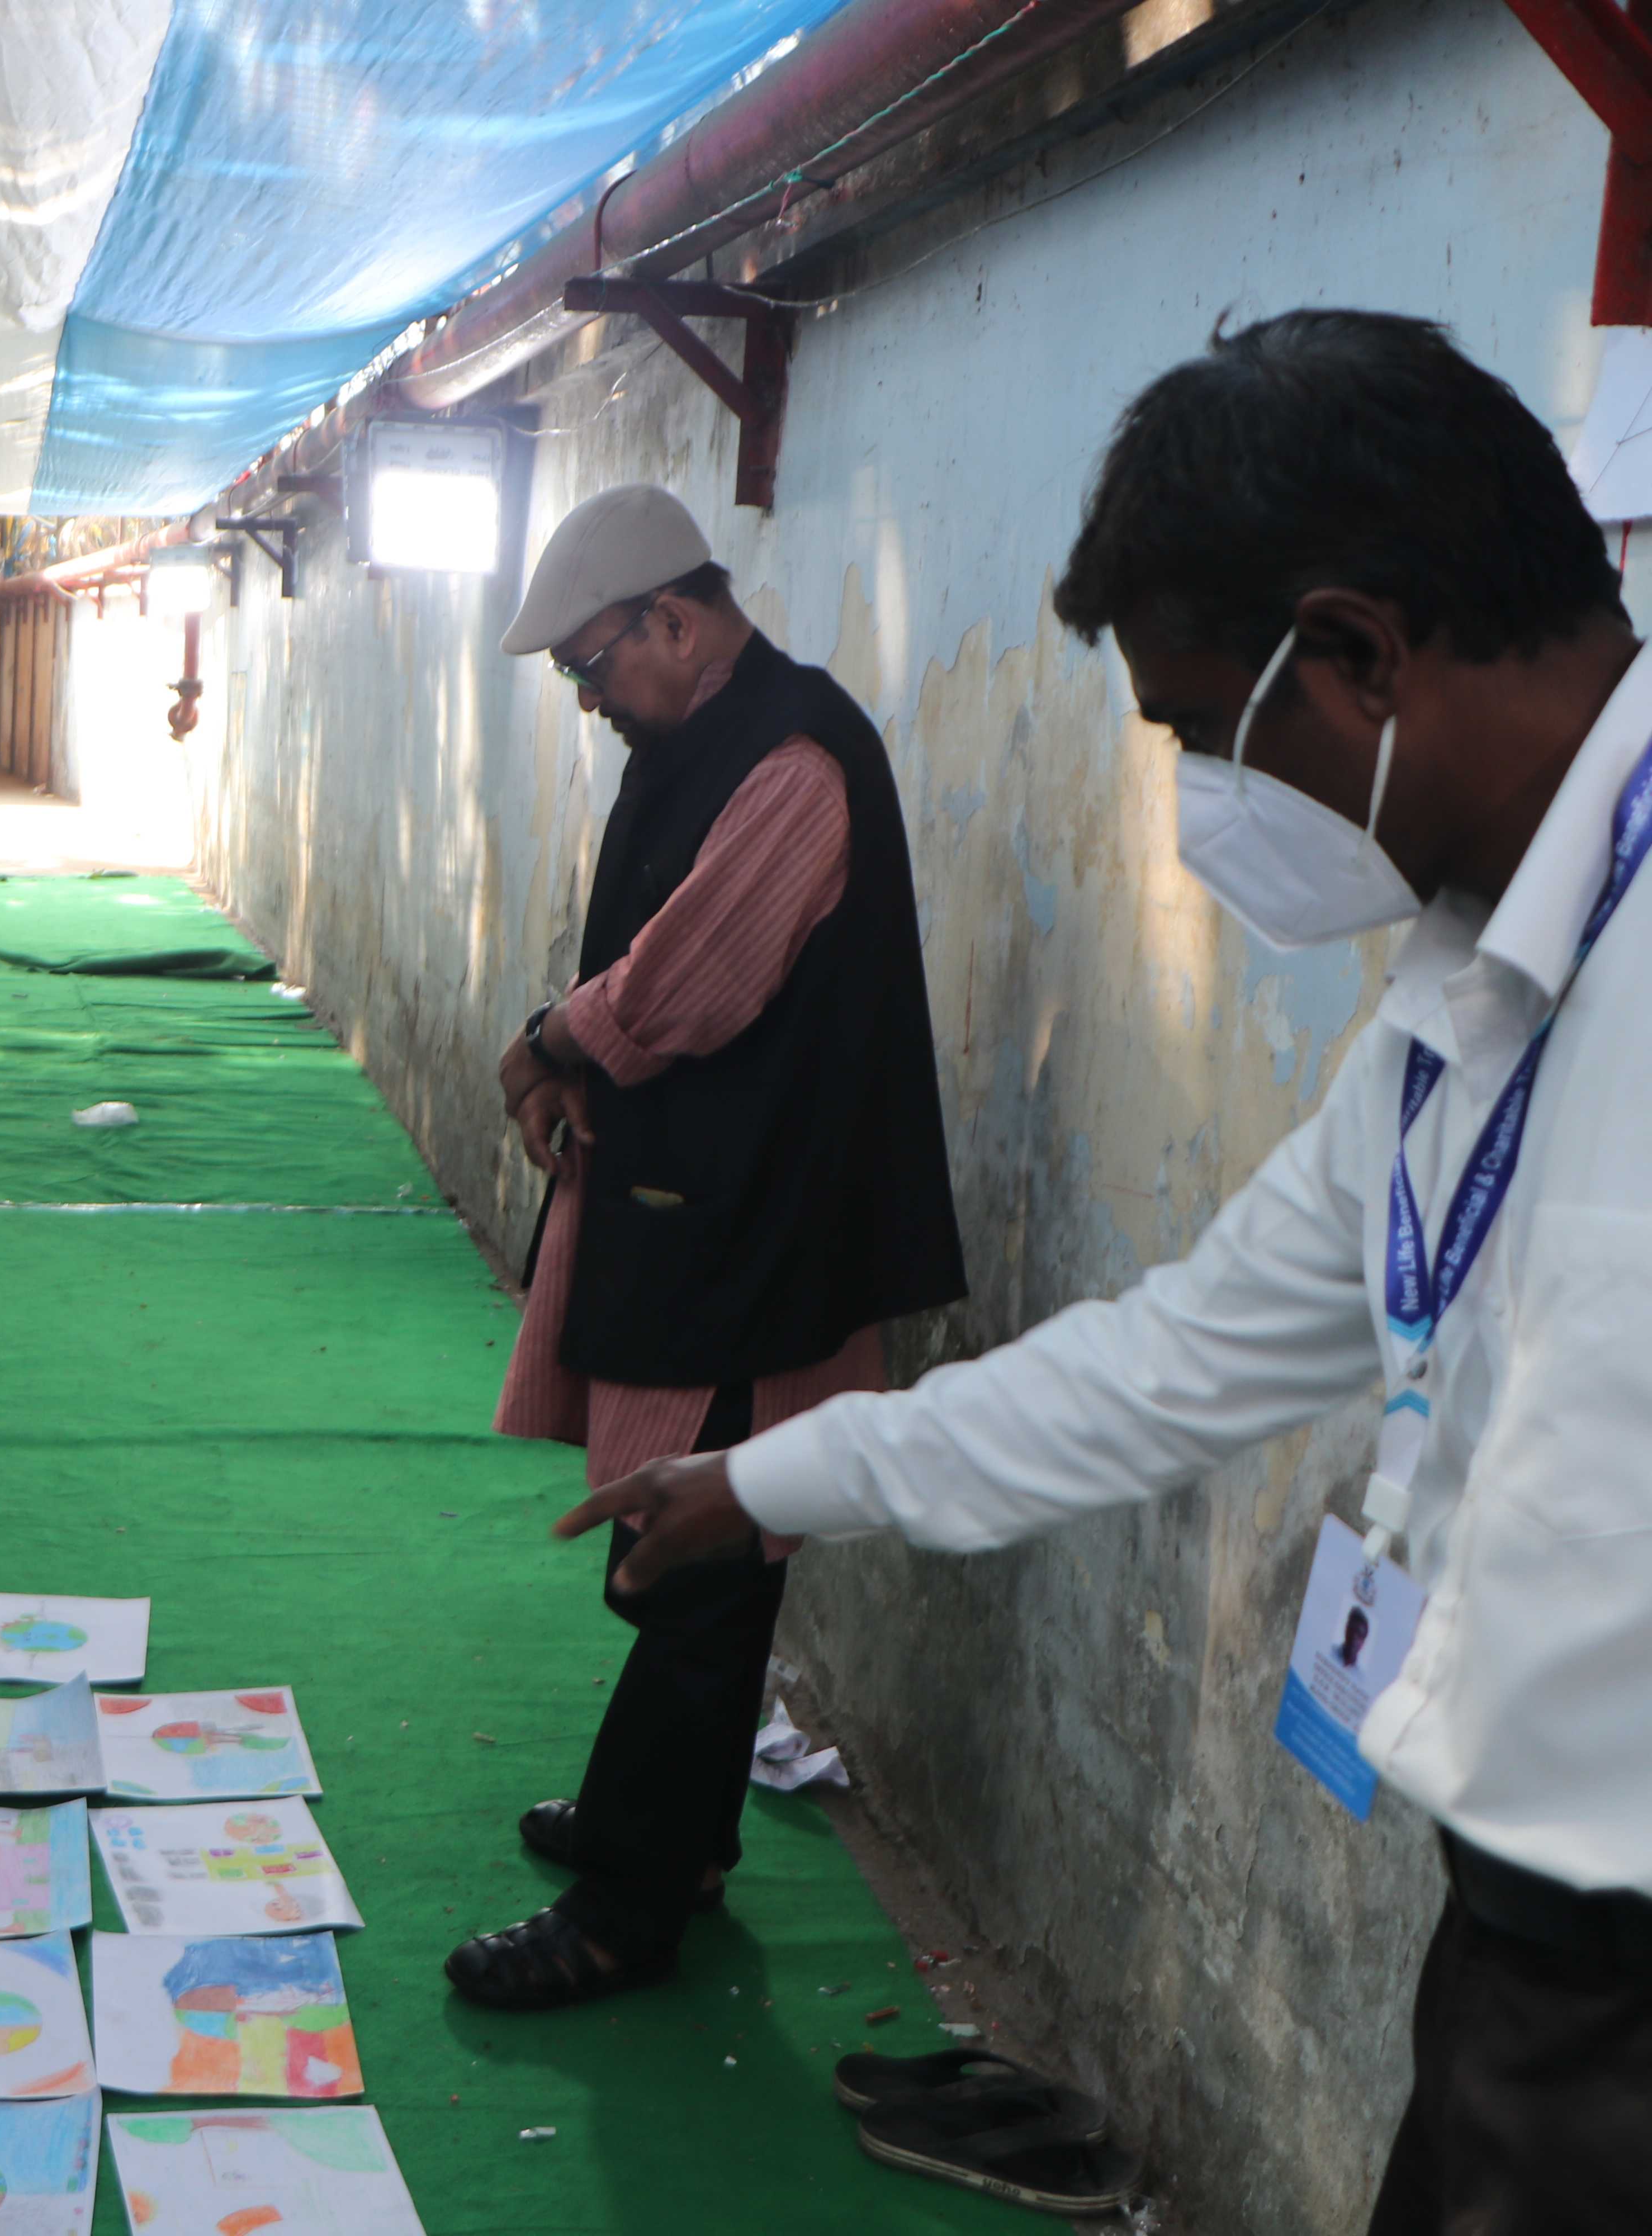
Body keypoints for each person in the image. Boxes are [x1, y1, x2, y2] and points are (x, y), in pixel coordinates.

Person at [567, 311, 1652, 2233]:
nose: (1204, 807)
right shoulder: (1463, 1003)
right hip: (1529, 1947)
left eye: (1203, 736)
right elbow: (1173, 1359)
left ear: (1356, 656)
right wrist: (770, 1478)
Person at [447, 484, 967, 2012]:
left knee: (701, 1563)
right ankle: (674, 1838)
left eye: (590, 666)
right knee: (693, 1544)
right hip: (715, 1213)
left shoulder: (794, 759)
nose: (588, 700)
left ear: (672, 620)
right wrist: (572, 1052)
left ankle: (628, 1909)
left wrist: (550, 1038)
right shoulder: (704, 738)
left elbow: (686, 981)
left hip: (763, 1234)